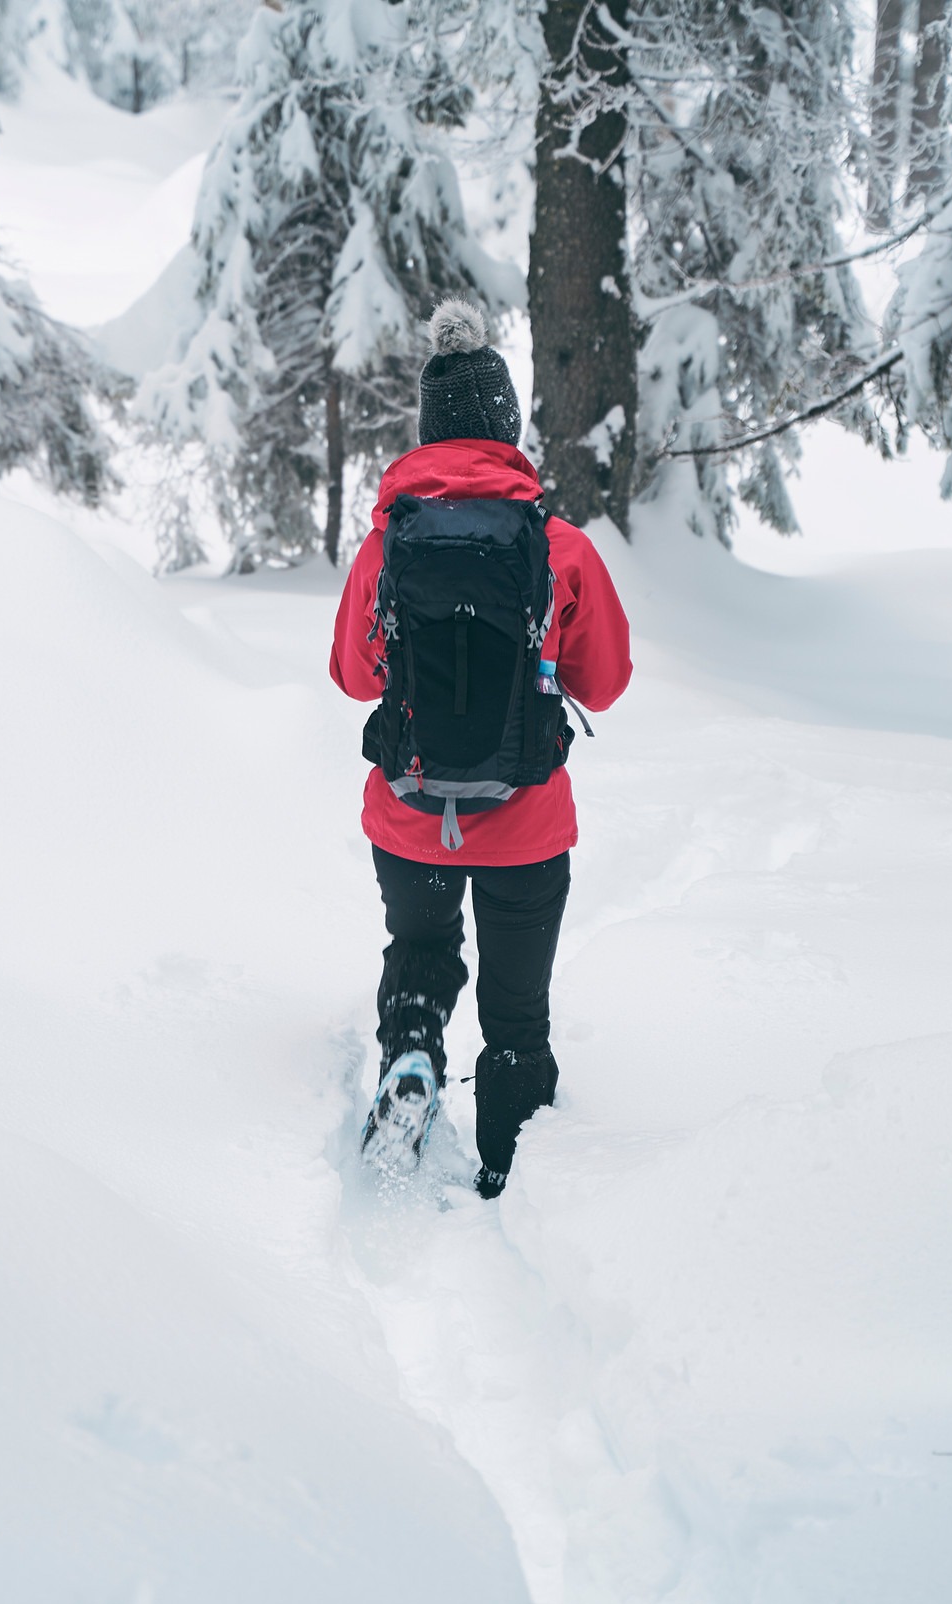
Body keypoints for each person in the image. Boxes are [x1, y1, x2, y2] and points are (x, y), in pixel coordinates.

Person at [328, 300, 633, 1199]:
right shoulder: (558, 546)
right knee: (516, 1014)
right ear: (506, 431)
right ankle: (514, 1165)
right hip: (528, 827)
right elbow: (605, 682)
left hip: (411, 814)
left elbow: (353, 675)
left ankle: (414, 1052)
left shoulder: (388, 546)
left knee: (419, 953)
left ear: (428, 436)